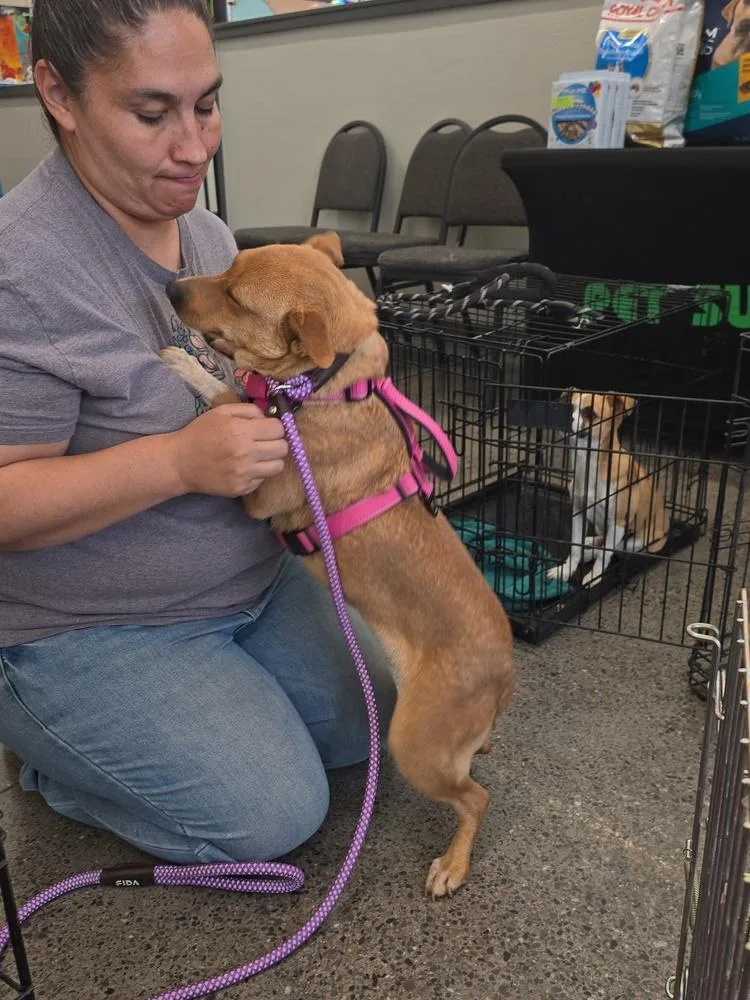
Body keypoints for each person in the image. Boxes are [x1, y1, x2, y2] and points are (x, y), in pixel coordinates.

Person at [0, 0, 395, 865]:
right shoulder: (21, 271)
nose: (194, 146)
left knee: (379, 726)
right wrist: (176, 462)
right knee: (274, 817)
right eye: (152, 115)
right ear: (60, 95)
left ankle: (202, 709)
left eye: (206, 104)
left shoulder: (207, 233)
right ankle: (50, 761)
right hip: (90, 626)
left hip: (249, 583)